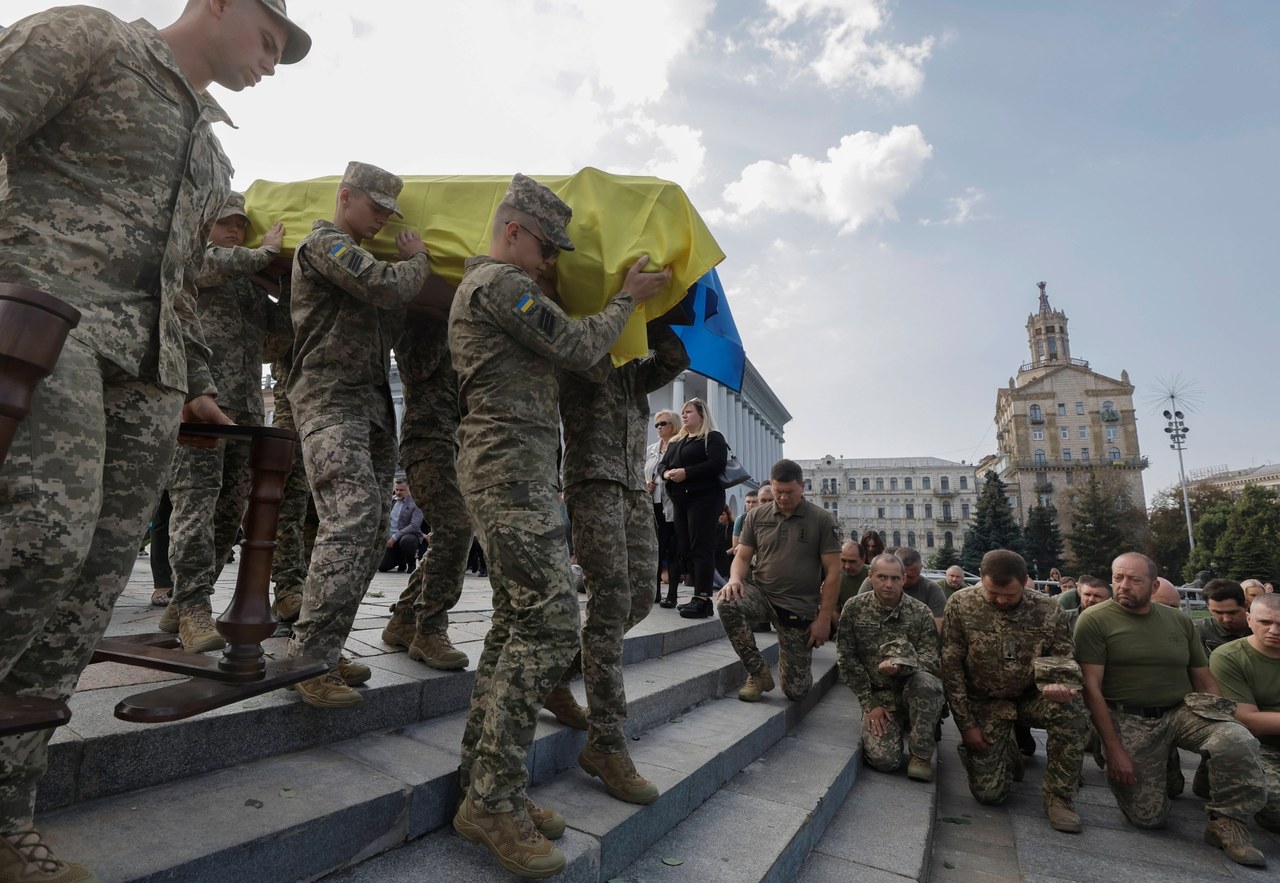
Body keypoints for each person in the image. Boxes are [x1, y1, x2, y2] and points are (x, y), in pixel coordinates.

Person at [0, 2, 308, 878]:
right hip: (38, 320)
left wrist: (198, 381)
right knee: (40, 540)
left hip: (148, 375)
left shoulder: (212, 152)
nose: (271, 62)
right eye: (270, 40)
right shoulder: (90, 39)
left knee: (91, 586)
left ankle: (7, 809)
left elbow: (180, 283)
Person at [448, 173, 669, 879]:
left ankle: (480, 786)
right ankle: (493, 800)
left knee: (515, 624)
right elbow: (576, 345)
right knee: (547, 626)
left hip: (520, 470)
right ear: (512, 231)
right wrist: (626, 298)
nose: (549, 265)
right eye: (546, 249)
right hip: (506, 472)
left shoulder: (507, 287)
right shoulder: (495, 285)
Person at [284, 161, 431, 708]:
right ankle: (307, 657)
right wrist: (417, 260)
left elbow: (387, 315)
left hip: (368, 403)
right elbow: (384, 286)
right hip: (327, 396)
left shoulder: (362, 257)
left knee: (369, 530)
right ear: (345, 197)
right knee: (352, 515)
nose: (382, 222)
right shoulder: (324, 244)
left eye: (390, 215)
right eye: (376, 210)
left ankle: (326, 646)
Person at [547, 319, 688, 804]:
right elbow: (582, 349)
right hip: (592, 482)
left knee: (642, 598)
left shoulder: (631, 369)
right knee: (609, 606)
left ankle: (556, 676)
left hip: (631, 488)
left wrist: (658, 316)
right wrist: (617, 308)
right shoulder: (581, 344)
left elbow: (674, 361)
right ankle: (606, 742)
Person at [1075, 552, 1268, 868]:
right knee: (1149, 819)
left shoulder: (1177, 620)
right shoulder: (1095, 620)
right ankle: (1165, 763)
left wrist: (1219, 734)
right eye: (1118, 577)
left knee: (1236, 739)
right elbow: (1091, 690)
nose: (1124, 585)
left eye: (1134, 580)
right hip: (1128, 718)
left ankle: (1228, 822)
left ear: (1153, 586)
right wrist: (1114, 751)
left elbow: (1204, 680)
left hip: (1180, 711)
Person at [160, 193, 287, 651]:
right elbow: (211, 265)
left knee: (229, 512)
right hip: (199, 407)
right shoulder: (198, 262)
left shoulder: (249, 283)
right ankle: (193, 610)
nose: (235, 231)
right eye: (226, 223)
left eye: (241, 225)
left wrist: (290, 281)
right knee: (196, 507)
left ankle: (186, 598)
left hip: (245, 411)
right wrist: (266, 251)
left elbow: (277, 335)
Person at [941, 550, 1089, 834]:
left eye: (1009, 594)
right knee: (990, 795)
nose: (999, 600)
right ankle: (1005, 750)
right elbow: (951, 667)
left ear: (1025, 582)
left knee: (1072, 712)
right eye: (991, 592)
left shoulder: (1048, 609)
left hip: (1031, 697)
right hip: (985, 702)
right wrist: (967, 725)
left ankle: (1059, 797)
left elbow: (1063, 660)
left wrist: (1059, 685)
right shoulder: (960, 604)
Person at [379, 308, 474, 669]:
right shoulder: (424, 317)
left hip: (453, 443)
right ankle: (429, 628)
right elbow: (417, 366)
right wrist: (444, 316)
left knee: (455, 530)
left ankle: (404, 618)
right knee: (456, 527)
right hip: (426, 440)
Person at [716, 459, 841, 703]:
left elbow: (834, 572)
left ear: (802, 487)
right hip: (762, 594)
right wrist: (734, 579)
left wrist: (824, 619)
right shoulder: (757, 516)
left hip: (798, 606)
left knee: (796, 692)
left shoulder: (821, 519)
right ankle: (757, 672)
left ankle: (792, 665)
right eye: (777, 491)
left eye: (789, 492)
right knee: (727, 602)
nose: (783, 497)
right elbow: (742, 556)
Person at [838, 554, 944, 780]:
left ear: (904, 579)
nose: (889, 584)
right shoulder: (855, 608)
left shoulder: (920, 613)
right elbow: (847, 659)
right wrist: (870, 704)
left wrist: (901, 667)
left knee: (927, 683)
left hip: (911, 688)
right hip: (878, 695)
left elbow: (931, 659)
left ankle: (921, 755)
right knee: (885, 761)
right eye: (882, 577)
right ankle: (900, 724)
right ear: (870, 576)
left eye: (895, 578)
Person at [1208, 593, 1280, 835]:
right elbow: (1249, 720)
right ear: (1249, 619)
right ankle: (1213, 773)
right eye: (1265, 622)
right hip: (1257, 746)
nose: (1274, 630)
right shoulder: (1229, 657)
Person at [661, 397, 728, 619]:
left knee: (701, 547)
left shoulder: (712, 437)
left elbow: (717, 464)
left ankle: (703, 599)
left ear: (701, 415)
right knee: (685, 548)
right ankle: (697, 597)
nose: (684, 415)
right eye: (683, 412)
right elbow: (663, 463)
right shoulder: (677, 441)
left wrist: (686, 473)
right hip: (681, 501)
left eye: (688, 411)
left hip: (705, 499)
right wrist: (666, 473)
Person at [858, 547, 946, 629]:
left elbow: (937, 628)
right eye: (899, 576)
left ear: (920, 569)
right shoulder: (873, 583)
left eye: (911, 576)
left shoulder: (932, 590)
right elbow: (858, 616)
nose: (905, 581)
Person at [645, 408, 680, 607]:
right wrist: (645, 483)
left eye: (663, 423)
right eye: (657, 424)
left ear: (673, 425)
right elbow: (642, 471)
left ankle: (673, 594)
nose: (659, 427)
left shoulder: (680, 445)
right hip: (654, 504)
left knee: (673, 550)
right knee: (656, 550)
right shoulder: (651, 449)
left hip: (673, 505)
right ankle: (655, 592)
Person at [378, 478, 424, 573]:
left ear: (409, 489)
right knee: (382, 567)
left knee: (407, 540)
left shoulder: (416, 503)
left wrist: (395, 537)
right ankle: (401, 560)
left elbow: (414, 526)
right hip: (390, 540)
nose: (398, 492)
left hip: (408, 537)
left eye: (402, 490)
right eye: (397, 490)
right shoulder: (391, 502)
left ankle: (411, 563)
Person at [1197, 579, 1252, 655]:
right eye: (1218, 612)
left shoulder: (1263, 626)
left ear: (1246, 606)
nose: (1226, 619)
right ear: (1208, 608)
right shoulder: (1199, 630)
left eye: (1232, 612)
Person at [836, 540, 870, 612]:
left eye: (852, 562)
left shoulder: (873, 575)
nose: (847, 566)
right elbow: (833, 610)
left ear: (863, 560)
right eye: (843, 561)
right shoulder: (835, 578)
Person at [715, 504, 735, 578]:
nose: (720, 517)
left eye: (722, 514)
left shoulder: (733, 526)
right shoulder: (715, 527)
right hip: (719, 559)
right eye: (718, 514)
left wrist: (724, 554)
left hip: (730, 558)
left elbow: (736, 544)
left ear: (727, 514)